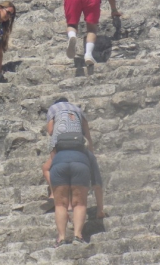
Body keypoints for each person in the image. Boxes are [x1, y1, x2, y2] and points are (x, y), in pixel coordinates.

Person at [45, 99, 99, 247]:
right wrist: (91, 152)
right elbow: (87, 133)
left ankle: (61, 238)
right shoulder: (78, 110)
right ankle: (78, 235)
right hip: (80, 157)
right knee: (80, 203)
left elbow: (50, 131)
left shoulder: (53, 108)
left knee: (60, 204)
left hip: (59, 157)